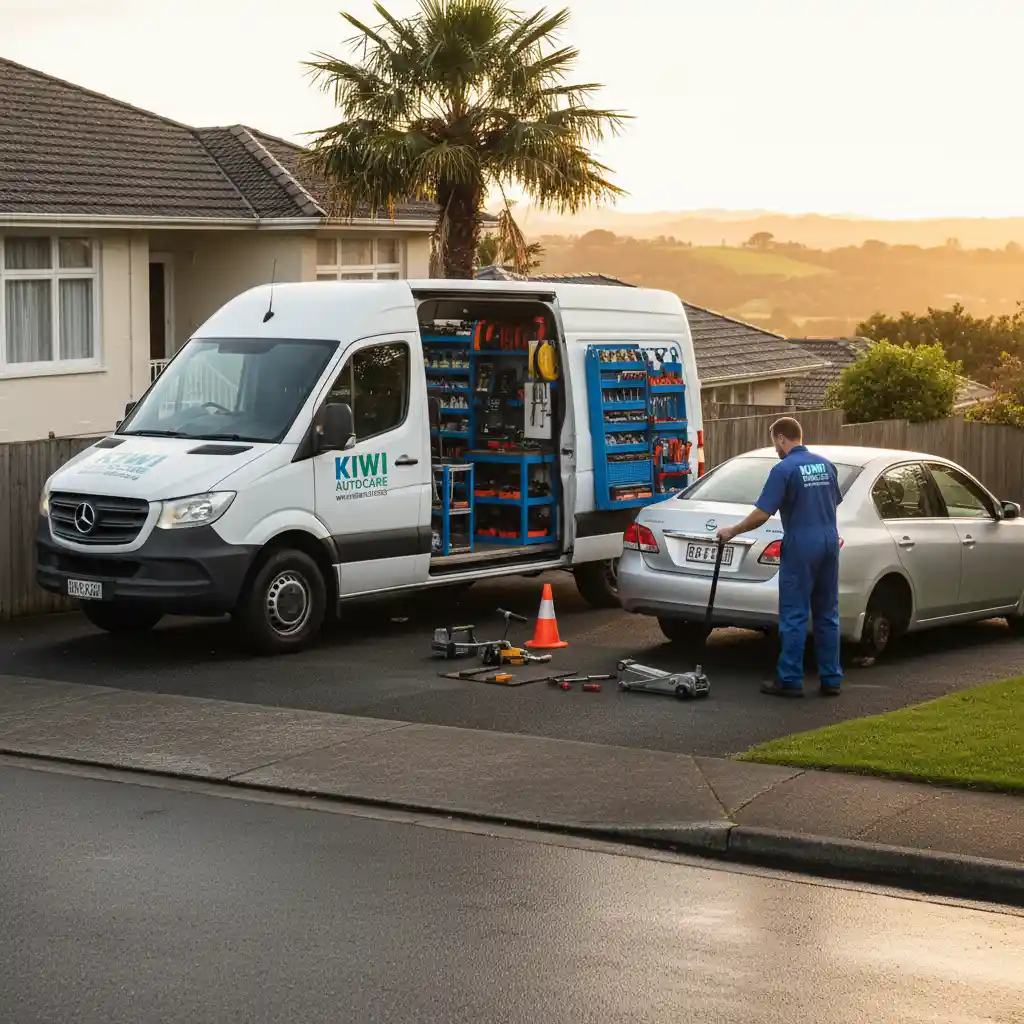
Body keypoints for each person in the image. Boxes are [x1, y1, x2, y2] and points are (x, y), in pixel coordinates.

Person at [716, 417, 843, 698]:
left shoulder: (783, 469)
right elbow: (832, 501)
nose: (775, 447)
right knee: (827, 613)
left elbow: (763, 513)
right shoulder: (826, 465)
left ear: (782, 439)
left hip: (801, 543)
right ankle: (831, 678)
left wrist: (733, 531)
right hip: (829, 541)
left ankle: (789, 679)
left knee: (795, 614)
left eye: (775, 441)